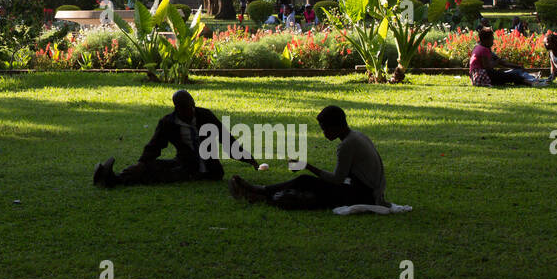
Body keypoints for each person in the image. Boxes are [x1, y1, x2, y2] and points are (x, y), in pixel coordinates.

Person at [94, 89, 263, 188]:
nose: (189, 110)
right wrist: (142, 162)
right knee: (152, 166)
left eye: (190, 106)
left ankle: (113, 180)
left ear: (193, 104)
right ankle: (113, 178)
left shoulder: (206, 116)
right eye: (183, 107)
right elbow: (155, 146)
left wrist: (250, 160)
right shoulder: (169, 122)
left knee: (160, 175)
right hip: (184, 163)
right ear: (177, 108)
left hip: (210, 171)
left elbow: (227, 141)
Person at [229, 106, 388, 210]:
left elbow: (337, 180)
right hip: (371, 191)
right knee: (308, 187)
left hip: (364, 195)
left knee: (305, 181)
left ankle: (260, 191)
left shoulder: (347, 145)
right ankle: (262, 194)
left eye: (325, 129)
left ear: (336, 127)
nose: (324, 133)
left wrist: (307, 166)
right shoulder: (357, 136)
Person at [468, 26, 548, 87]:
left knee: (511, 73)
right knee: (511, 75)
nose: (493, 42)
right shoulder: (483, 50)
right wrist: (497, 62)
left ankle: (531, 80)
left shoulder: (480, 47)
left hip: (478, 77)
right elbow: (488, 67)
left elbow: (502, 63)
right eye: (491, 39)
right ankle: (531, 82)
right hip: (481, 77)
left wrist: (517, 66)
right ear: (485, 40)